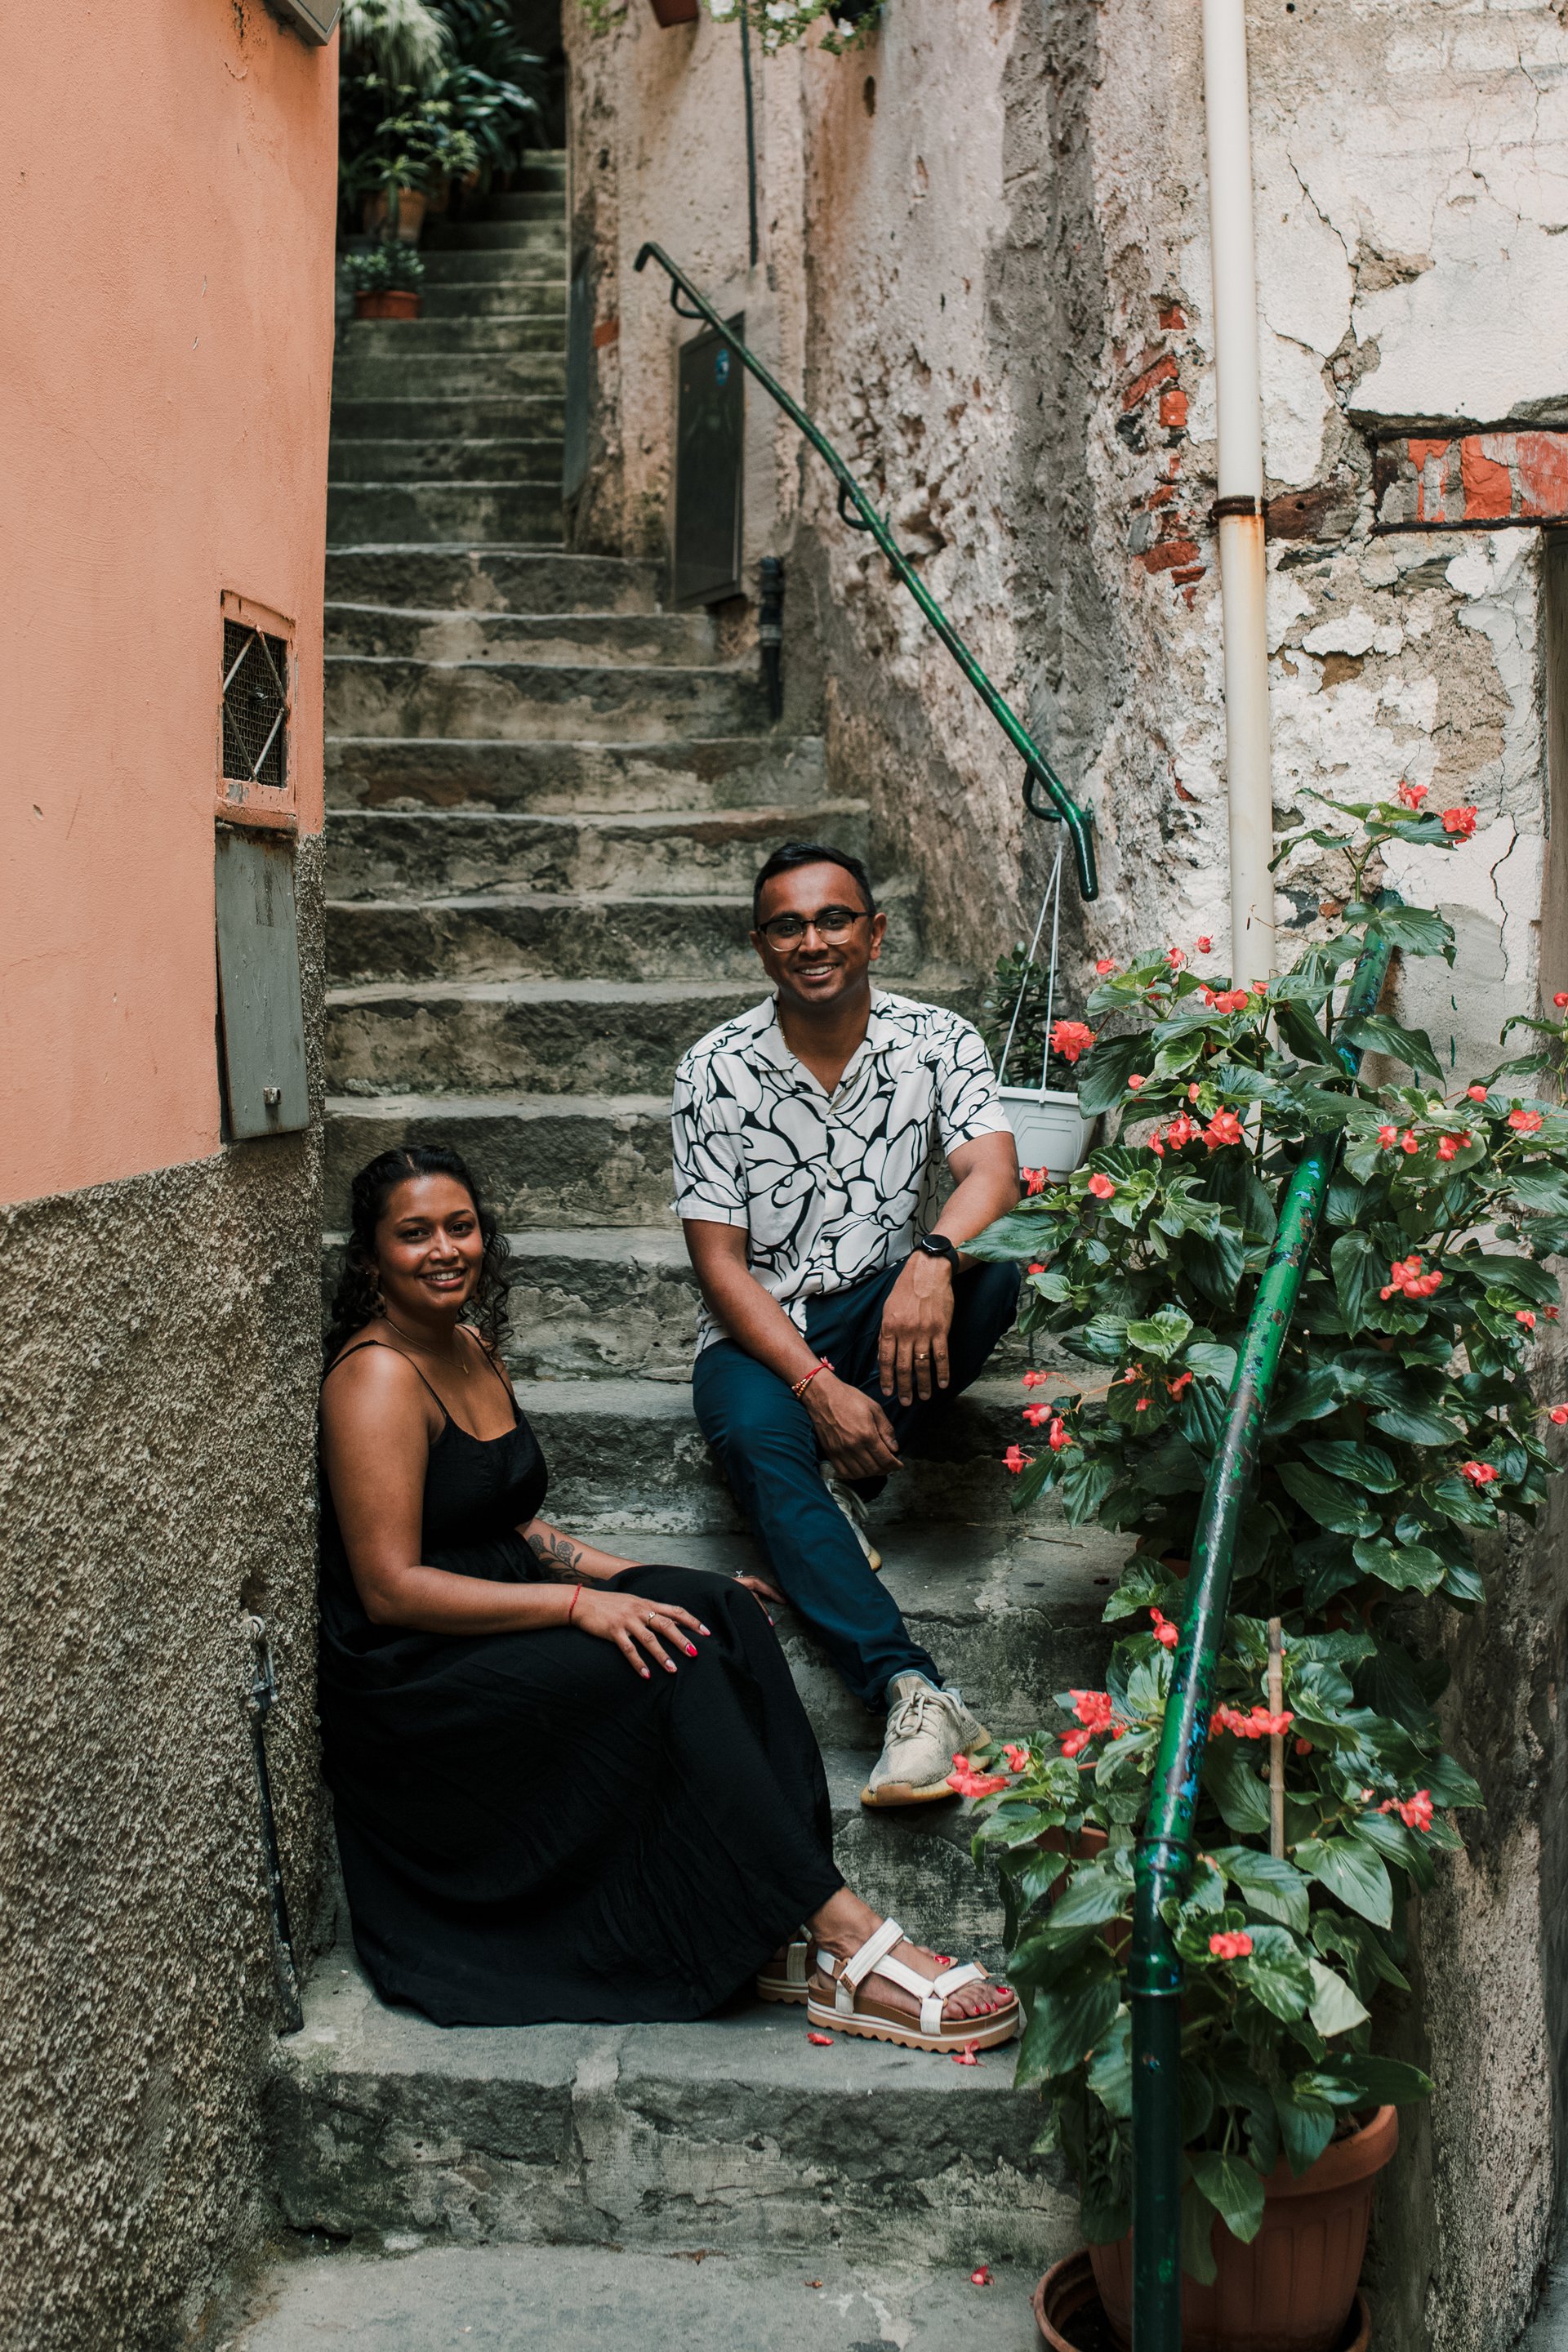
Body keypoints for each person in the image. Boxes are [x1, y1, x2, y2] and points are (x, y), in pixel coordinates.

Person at [316, 1142, 1018, 2051]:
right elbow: (390, 1589)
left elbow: (511, 1528)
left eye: (461, 1226)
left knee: (715, 1614)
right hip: (417, 1674)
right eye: (415, 1235)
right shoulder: (375, 1376)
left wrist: (643, 1581)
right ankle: (848, 1936)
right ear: (373, 1259)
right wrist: (578, 1607)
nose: (446, 1249)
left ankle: (777, 1918)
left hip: (492, 1602)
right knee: (667, 1668)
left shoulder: (466, 1344)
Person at [673, 843, 1023, 1809]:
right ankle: (913, 1693)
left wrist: (934, 1258)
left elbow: (994, 1175)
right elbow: (719, 1267)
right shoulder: (714, 1069)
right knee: (755, 1434)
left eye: (834, 919)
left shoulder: (938, 1040)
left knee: (993, 1280)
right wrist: (818, 1390)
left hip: (881, 1303)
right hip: (762, 1330)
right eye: (788, 925)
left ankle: (831, 1476)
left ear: (873, 932)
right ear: (760, 947)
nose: (812, 940)